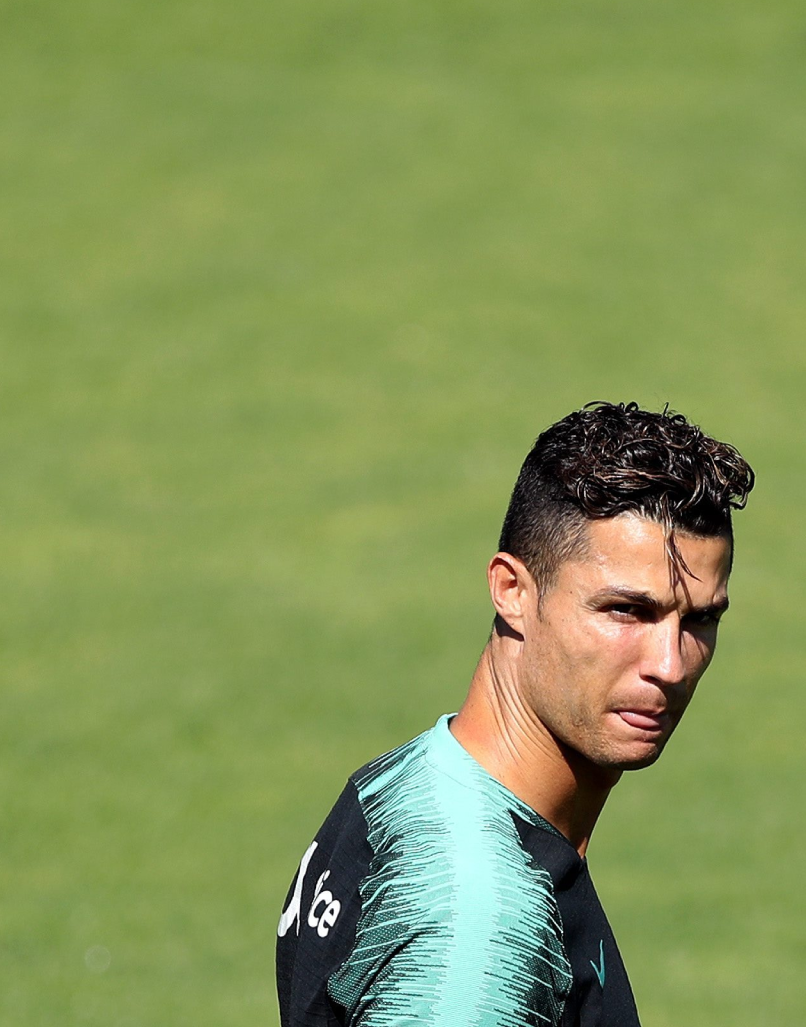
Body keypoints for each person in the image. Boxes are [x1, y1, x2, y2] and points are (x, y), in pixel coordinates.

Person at [275, 401, 755, 1026]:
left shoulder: (418, 777)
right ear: (513, 591)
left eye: (700, 619)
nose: (669, 664)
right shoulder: (481, 930)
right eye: (625, 611)